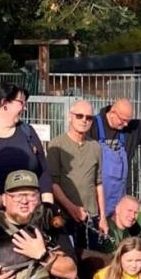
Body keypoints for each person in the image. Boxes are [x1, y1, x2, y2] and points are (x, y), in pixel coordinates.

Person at [0, 82, 53, 217]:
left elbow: (44, 171)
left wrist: (47, 205)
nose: (25, 108)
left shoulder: (27, 131)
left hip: (29, 216)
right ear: (4, 103)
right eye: (21, 103)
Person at [47, 100, 107, 250]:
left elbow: (98, 183)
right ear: (70, 117)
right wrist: (72, 208)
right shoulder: (57, 145)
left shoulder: (95, 147)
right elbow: (53, 183)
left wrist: (103, 218)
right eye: (79, 116)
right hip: (64, 216)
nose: (84, 120)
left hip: (90, 217)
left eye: (89, 117)